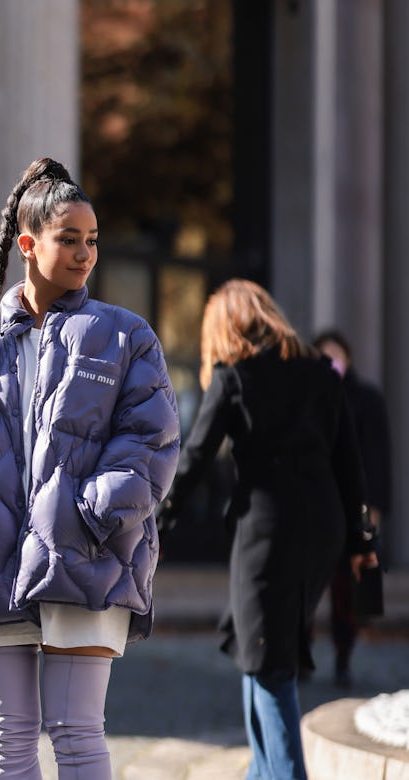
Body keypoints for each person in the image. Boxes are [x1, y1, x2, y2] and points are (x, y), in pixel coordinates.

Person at [0, 157, 180, 778]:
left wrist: (88, 516)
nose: (86, 254)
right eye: (69, 239)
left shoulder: (124, 337)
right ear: (28, 244)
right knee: (9, 741)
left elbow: (151, 440)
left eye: (93, 240)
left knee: (78, 735)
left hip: (89, 558)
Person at [158, 279, 377, 780]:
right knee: (254, 642)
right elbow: (351, 465)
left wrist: (159, 523)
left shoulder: (235, 377)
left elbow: (193, 458)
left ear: (227, 327)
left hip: (268, 534)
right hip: (322, 531)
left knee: (270, 665)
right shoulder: (322, 374)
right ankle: (262, 773)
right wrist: (363, 540)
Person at [313, 328, 392, 687]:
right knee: (308, 587)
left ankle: (343, 657)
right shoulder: (306, 398)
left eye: (336, 355)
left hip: (350, 509)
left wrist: (374, 507)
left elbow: (378, 456)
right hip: (314, 508)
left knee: (347, 590)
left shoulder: (366, 398)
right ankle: (300, 655)